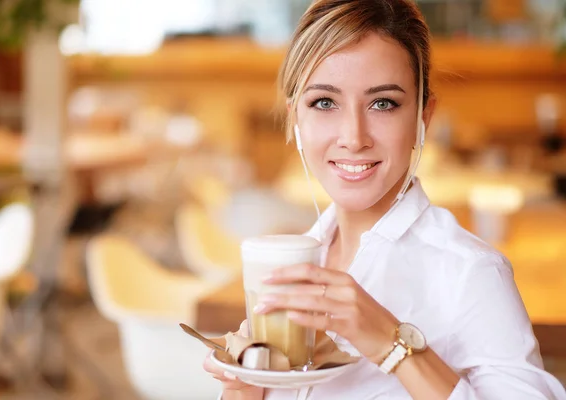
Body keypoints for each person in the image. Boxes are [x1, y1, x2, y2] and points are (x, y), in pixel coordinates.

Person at [204, 0, 566, 399]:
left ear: (422, 118)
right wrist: (246, 389)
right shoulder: (293, 262)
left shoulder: (470, 272)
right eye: (324, 102)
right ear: (296, 120)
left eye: (383, 103)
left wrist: (394, 346)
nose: (354, 137)